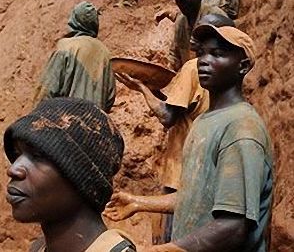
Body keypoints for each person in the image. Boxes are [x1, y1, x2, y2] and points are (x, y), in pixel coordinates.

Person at [106, 24, 273, 252]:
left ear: (242, 66)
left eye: (217, 54)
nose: (204, 60)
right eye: (201, 53)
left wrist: (161, 250)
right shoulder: (204, 121)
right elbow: (197, 198)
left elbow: (233, 226)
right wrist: (139, 202)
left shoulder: (241, 129)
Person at [116, 12, 235, 243]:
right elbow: (181, 108)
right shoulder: (224, 75)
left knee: (173, 238)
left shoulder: (193, 68)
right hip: (207, 171)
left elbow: (167, 115)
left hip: (181, 170)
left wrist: (141, 88)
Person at [5, 97, 135, 252]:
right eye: (18, 154)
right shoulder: (39, 248)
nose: (14, 169)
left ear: (84, 180)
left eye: (38, 156)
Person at [34, 2, 116, 112]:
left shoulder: (66, 47)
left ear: (74, 20)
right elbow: (110, 97)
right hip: (94, 123)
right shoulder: (104, 52)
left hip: (66, 121)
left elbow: (47, 90)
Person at [164, 0, 227, 71]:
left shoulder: (215, 16)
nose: (182, 3)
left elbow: (230, 53)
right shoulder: (181, 22)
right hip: (191, 77)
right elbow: (174, 54)